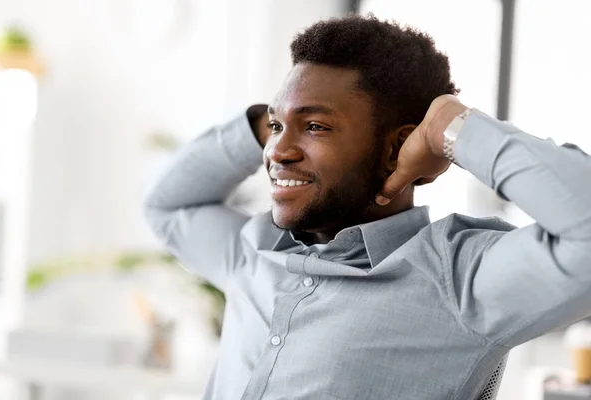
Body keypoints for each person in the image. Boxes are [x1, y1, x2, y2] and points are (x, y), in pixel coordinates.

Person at [143, 14, 591, 400]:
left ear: (397, 148)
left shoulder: (461, 280)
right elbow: (168, 205)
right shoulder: (253, 251)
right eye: (277, 127)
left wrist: (451, 127)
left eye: (315, 126)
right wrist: (269, 120)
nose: (277, 150)